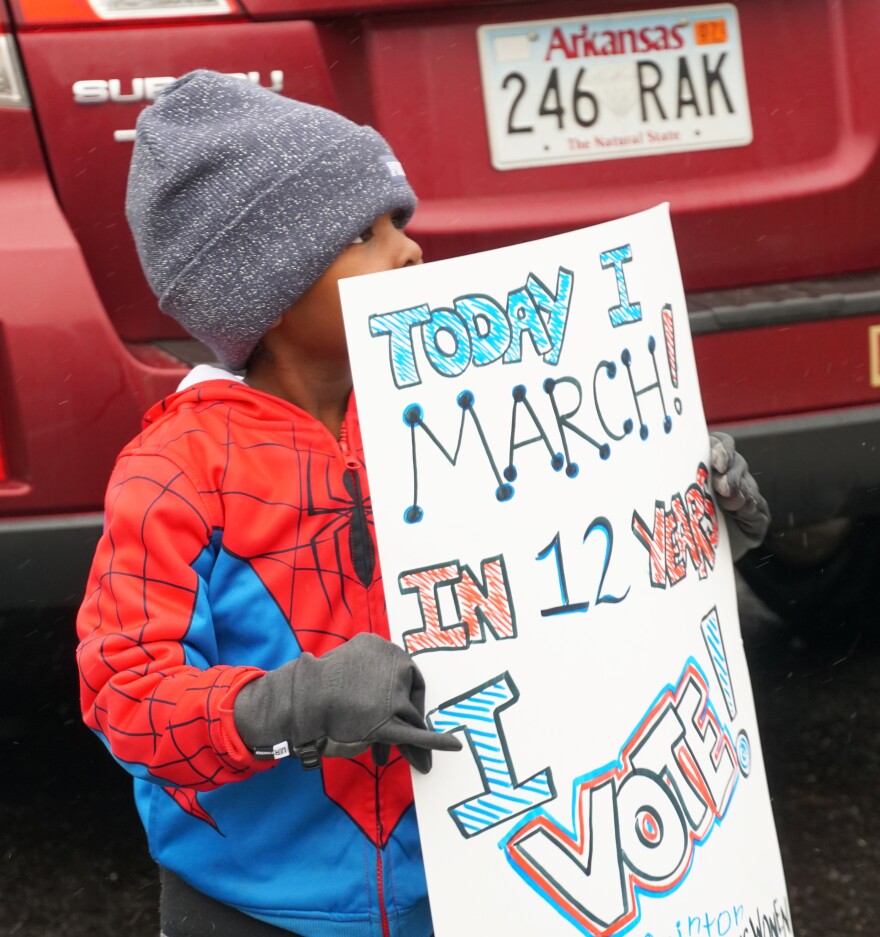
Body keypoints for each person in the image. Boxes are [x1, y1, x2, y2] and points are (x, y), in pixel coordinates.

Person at [75, 70, 770, 937]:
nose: (408, 249)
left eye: (400, 221)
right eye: (364, 234)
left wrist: (684, 525)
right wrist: (294, 705)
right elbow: (125, 694)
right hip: (254, 910)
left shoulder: (464, 409)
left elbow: (560, 580)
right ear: (269, 290)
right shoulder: (172, 469)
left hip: (482, 885)